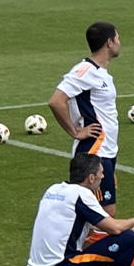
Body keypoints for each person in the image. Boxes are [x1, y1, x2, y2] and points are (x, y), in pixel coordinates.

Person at [48, 21, 123, 209]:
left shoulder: (100, 72)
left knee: (102, 213)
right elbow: (56, 101)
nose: (119, 42)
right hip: (94, 151)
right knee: (104, 212)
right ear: (109, 42)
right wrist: (75, 132)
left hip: (107, 149)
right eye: (118, 38)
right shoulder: (85, 71)